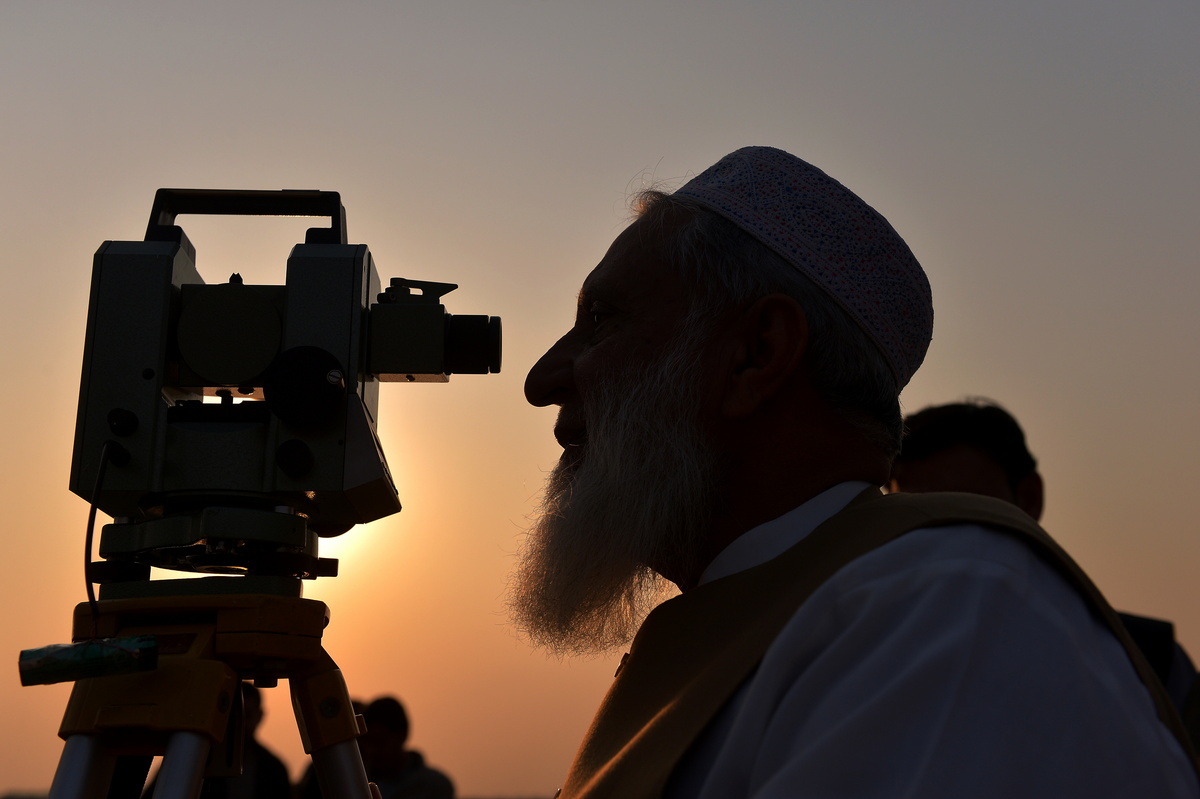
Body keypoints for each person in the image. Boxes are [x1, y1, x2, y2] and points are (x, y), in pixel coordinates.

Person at [513, 145, 1199, 797]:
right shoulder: (813, 614)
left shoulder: (941, 611)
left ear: (757, 354)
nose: (543, 379)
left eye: (601, 322)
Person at [890, 398, 1198, 711]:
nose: (944, 537)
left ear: (1028, 498)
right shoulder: (876, 652)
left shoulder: (1149, 660)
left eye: (972, 509)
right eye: (917, 516)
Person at [298, 697, 454, 799]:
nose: (372, 750)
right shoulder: (352, 780)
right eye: (368, 742)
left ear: (402, 735)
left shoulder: (433, 785)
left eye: (380, 741)